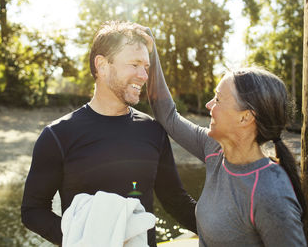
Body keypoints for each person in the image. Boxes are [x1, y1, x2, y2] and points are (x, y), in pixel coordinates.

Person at [21, 21, 197, 247]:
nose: (144, 75)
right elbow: (33, 210)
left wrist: (229, 232)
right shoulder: (57, 135)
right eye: (134, 64)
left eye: (146, 66)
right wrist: (84, 240)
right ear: (102, 65)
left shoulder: (153, 131)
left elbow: (176, 202)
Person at [146, 30, 307, 246]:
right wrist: (150, 50)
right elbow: (167, 116)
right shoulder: (214, 148)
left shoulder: (271, 193)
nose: (208, 106)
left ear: (245, 118)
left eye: (218, 99)